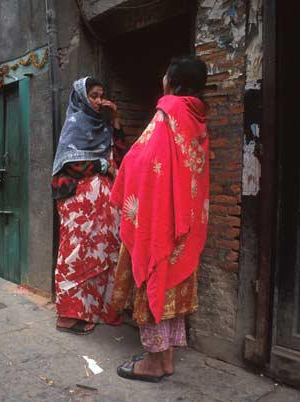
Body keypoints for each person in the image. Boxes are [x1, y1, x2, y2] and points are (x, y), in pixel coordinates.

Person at [110, 57, 209, 381]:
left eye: (165, 73)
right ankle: (165, 360)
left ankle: (153, 364)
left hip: (164, 216)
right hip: (187, 219)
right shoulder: (198, 115)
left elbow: (143, 155)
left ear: (173, 80)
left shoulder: (169, 110)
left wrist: (121, 174)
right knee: (171, 283)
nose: (162, 78)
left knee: (154, 272)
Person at [52, 76, 126, 334]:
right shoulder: (75, 124)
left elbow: (120, 155)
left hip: (103, 206)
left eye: (101, 95)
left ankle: (94, 311)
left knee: (102, 256)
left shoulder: (102, 125)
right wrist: (101, 166)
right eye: (93, 95)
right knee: (75, 254)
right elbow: (70, 165)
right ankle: (68, 316)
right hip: (79, 204)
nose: (98, 100)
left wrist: (114, 119)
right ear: (82, 96)